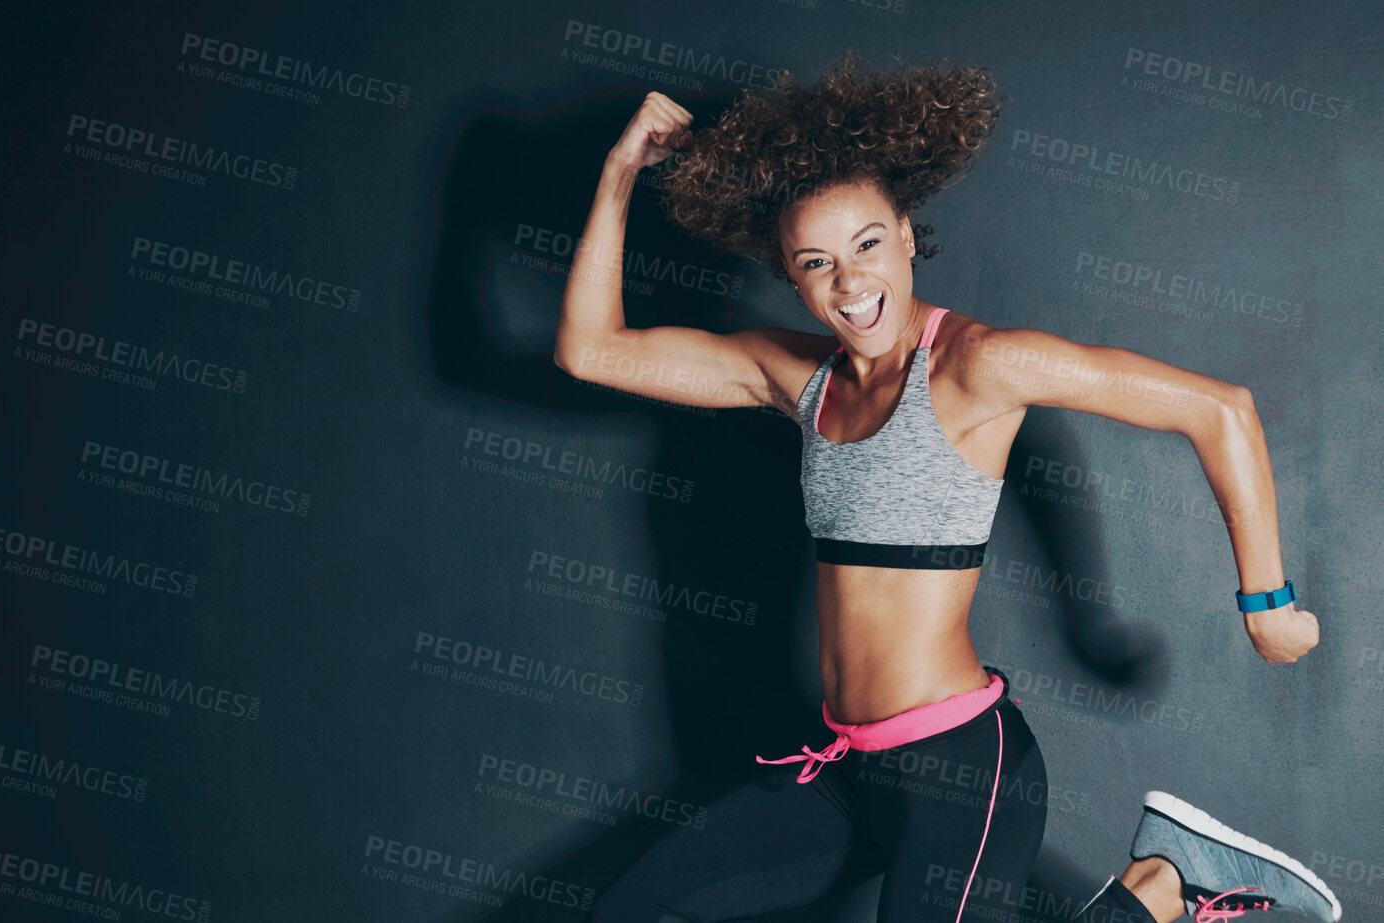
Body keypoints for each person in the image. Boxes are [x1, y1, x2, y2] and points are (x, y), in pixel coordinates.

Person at [554, 53, 1338, 923]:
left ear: (904, 228)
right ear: (788, 271)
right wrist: (621, 172)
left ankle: (1163, 889)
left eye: (865, 244)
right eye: (815, 263)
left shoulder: (977, 366)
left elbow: (1219, 408)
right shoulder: (795, 377)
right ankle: (1160, 884)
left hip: (961, 767)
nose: (850, 283)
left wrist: (1265, 599)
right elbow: (592, 350)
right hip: (846, 769)